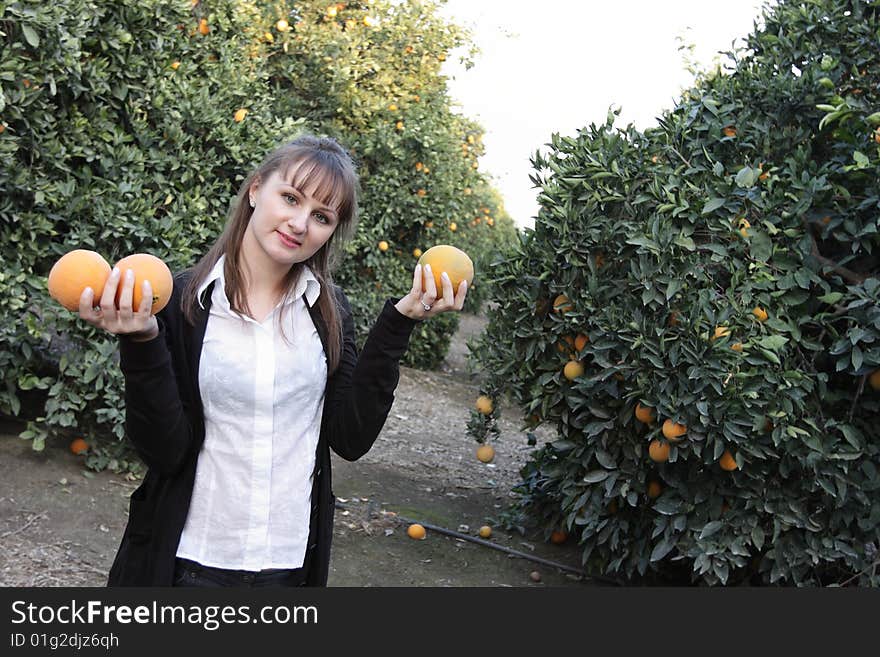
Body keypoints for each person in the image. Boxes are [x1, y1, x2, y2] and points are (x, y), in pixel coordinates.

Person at [78, 134, 468, 586]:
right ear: (256, 188)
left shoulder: (328, 312)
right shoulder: (181, 302)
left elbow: (351, 437)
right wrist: (142, 340)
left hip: (288, 564)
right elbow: (164, 451)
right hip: (190, 560)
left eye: (321, 216)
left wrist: (399, 323)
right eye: (290, 198)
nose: (300, 224)